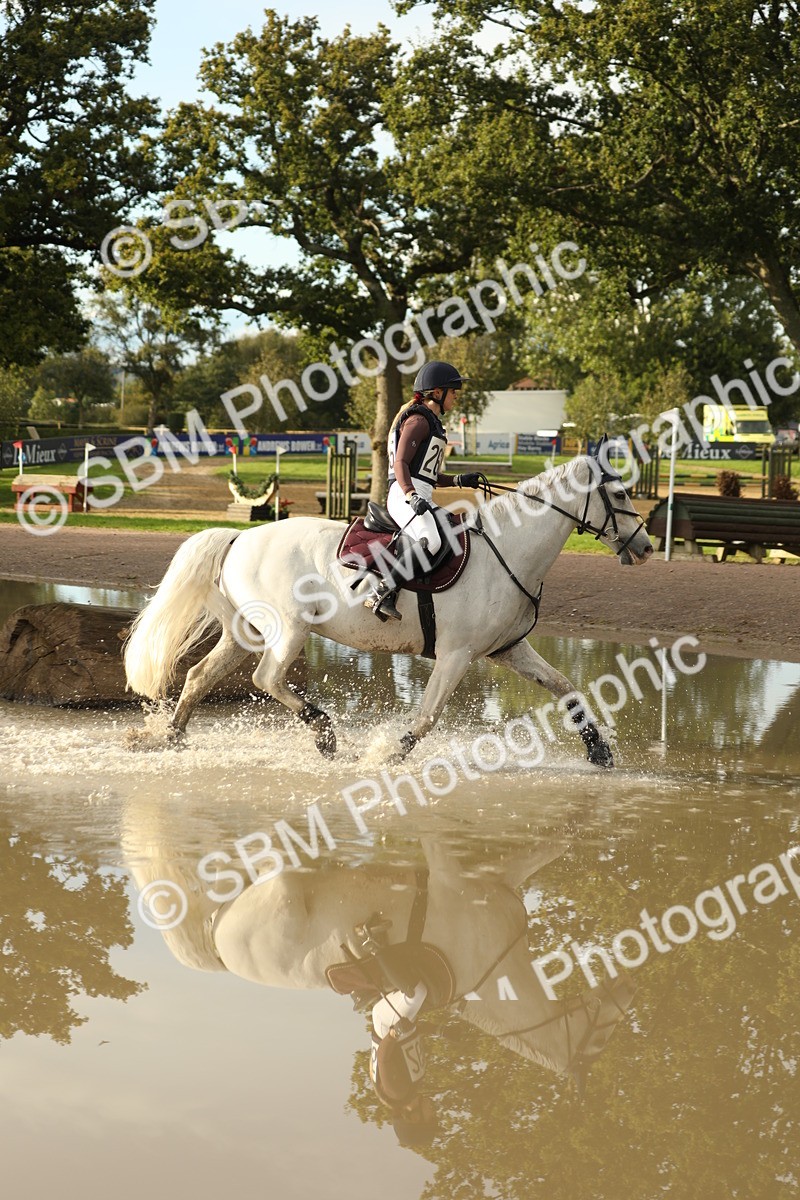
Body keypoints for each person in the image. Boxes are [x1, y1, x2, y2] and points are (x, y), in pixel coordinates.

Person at [365, 360, 483, 621]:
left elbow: (428, 474)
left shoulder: (431, 422)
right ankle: (382, 591)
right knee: (432, 539)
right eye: (453, 392)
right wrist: (410, 494)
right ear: (437, 393)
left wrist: (460, 480)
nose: (456, 397)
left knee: (455, 530)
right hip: (403, 494)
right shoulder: (418, 420)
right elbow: (400, 464)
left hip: (419, 492)